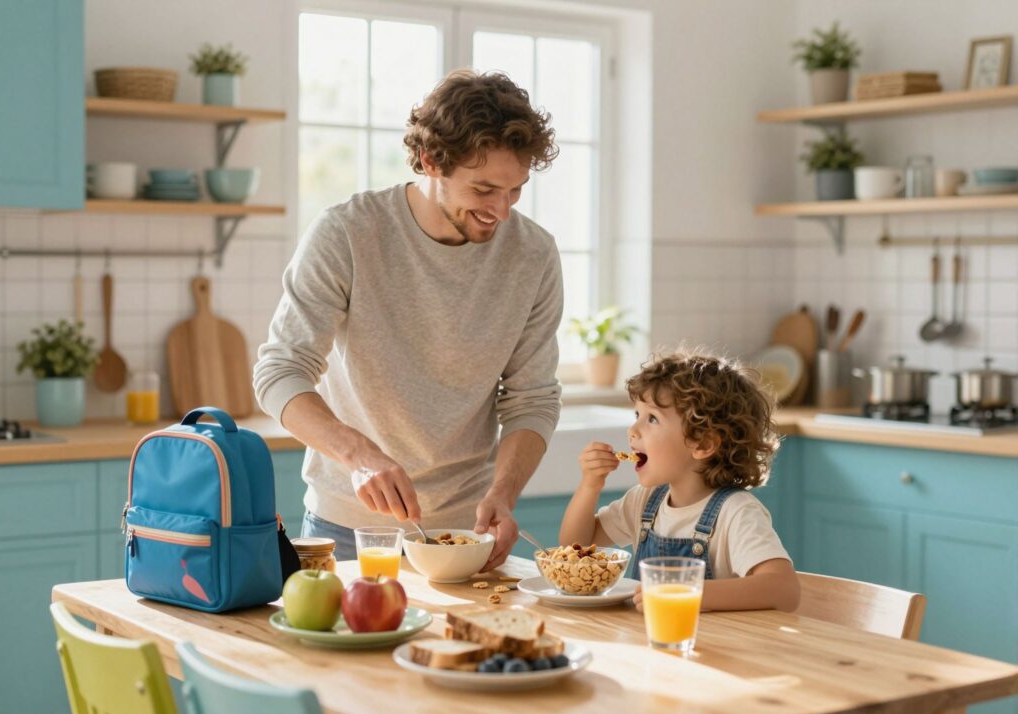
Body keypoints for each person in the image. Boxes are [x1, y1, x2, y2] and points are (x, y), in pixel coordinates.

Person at [254, 70, 563, 570]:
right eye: (484, 189)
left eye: (515, 191)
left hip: (465, 534)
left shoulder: (535, 255)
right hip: (347, 529)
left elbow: (532, 397)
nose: (502, 212)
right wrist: (360, 457)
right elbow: (279, 373)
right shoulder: (348, 233)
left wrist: (504, 494)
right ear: (430, 161)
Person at [558, 351, 800, 612]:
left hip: (712, 648)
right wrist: (590, 486)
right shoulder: (645, 500)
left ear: (704, 443)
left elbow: (783, 589)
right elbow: (574, 550)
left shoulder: (736, 512)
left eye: (652, 419)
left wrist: (686, 592)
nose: (633, 430)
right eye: (636, 415)